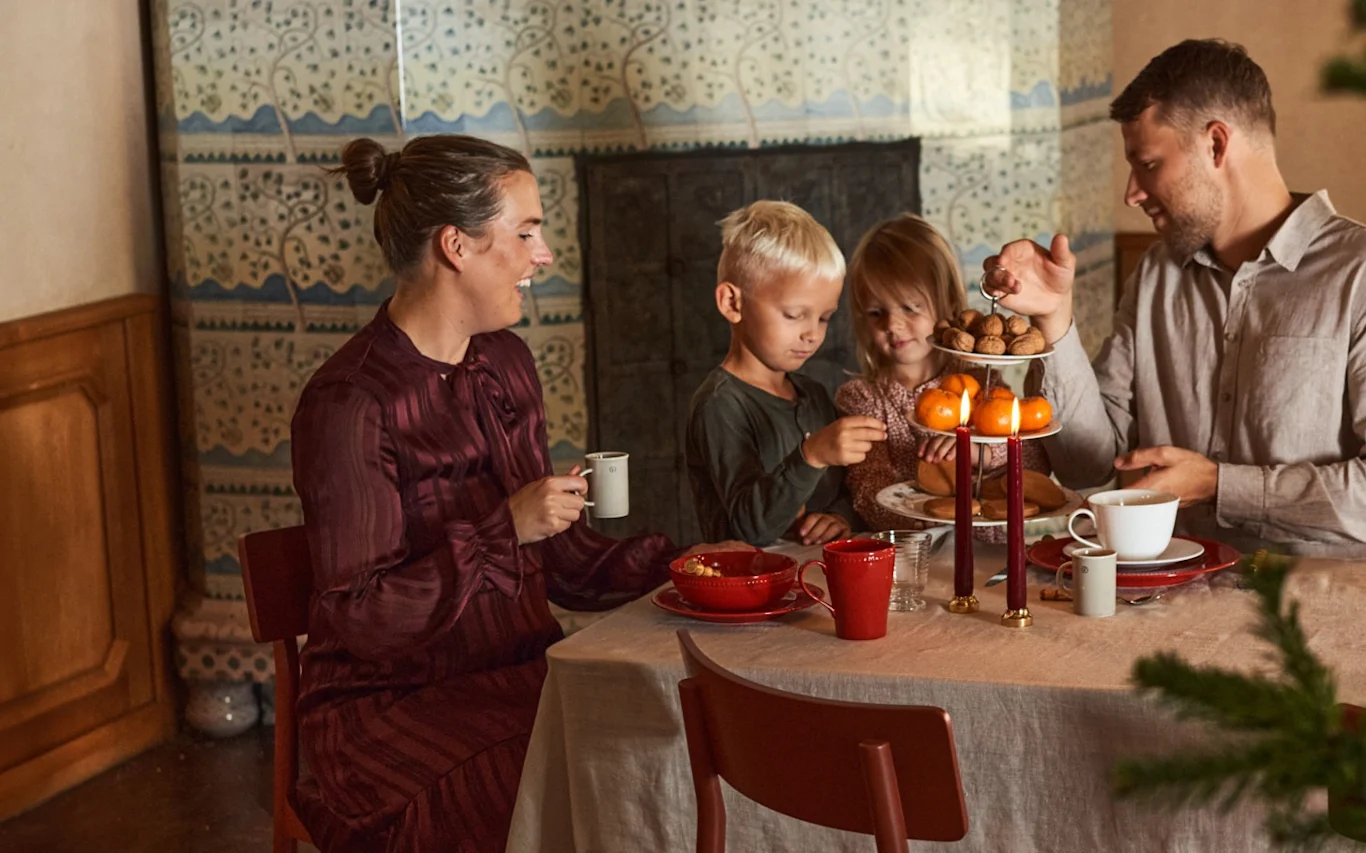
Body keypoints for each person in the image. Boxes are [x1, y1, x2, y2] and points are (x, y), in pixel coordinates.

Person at [290, 134, 741, 853]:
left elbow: (562, 556)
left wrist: (694, 566)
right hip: (386, 711)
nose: (545, 253)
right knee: (536, 780)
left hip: (521, 676)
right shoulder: (348, 403)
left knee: (676, 739)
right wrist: (506, 529)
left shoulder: (505, 362)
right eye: (526, 231)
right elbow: (361, 617)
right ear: (456, 246)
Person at [986, 39, 1366, 561]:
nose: (1132, 193)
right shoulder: (1155, 275)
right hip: (1172, 603)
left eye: (1147, 164)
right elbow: (1089, 467)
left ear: (1216, 145)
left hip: (1337, 620)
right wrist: (1054, 321)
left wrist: (1221, 484)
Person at [684, 201, 886, 546]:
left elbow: (844, 491)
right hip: (749, 588)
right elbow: (751, 529)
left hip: (816, 580)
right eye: (794, 315)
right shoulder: (720, 405)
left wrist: (839, 517)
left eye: (824, 318)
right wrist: (812, 455)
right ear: (733, 304)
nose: (812, 333)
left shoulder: (815, 395)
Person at [834, 214, 1050, 532]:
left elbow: (1036, 465)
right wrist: (936, 519)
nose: (892, 325)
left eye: (909, 307)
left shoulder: (982, 385)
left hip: (990, 553)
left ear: (946, 304)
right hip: (912, 552)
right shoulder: (863, 399)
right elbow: (869, 491)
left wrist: (983, 454)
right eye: (876, 313)